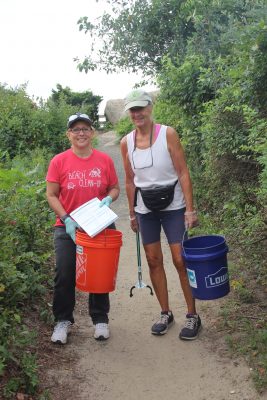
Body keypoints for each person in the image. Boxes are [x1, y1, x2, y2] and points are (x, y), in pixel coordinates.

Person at [120, 89, 201, 340]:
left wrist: (190, 209)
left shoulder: (168, 134)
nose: (137, 113)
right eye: (133, 110)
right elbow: (130, 181)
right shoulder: (126, 143)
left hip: (174, 206)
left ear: (150, 107)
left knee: (180, 259)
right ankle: (165, 313)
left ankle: (192, 315)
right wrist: (132, 214)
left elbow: (183, 172)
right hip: (146, 209)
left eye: (141, 108)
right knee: (153, 260)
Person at [46, 112, 120, 344]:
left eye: (85, 129)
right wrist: (66, 218)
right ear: (69, 134)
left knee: (100, 273)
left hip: (99, 225)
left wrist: (108, 199)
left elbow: (114, 188)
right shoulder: (59, 161)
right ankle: (63, 321)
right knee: (65, 273)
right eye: (76, 129)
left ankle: (100, 319)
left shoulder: (104, 160)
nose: (81, 133)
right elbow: (51, 195)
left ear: (92, 132)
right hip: (68, 227)